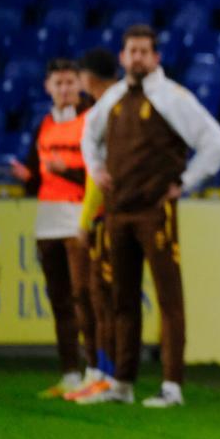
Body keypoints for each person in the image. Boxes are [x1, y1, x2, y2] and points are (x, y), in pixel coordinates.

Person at [79, 25, 220, 407]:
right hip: (117, 212)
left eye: (144, 51)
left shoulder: (172, 97)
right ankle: (122, 382)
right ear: (122, 57)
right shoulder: (113, 98)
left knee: (168, 299)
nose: (137, 58)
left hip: (155, 212)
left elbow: (218, 144)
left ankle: (171, 385)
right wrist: (95, 167)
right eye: (131, 51)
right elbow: (88, 136)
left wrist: (185, 181)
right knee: (122, 299)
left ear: (156, 58)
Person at [10, 59, 94, 399]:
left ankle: (96, 371)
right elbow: (36, 176)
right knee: (60, 301)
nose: (64, 89)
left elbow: (96, 177)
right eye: (58, 83)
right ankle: (70, 373)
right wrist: (27, 177)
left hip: (77, 222)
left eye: (70, 83)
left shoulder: (90, 122)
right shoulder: (44, 125)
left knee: (85, 298)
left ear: (79, 86)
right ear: (48, 88)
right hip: (47, 222)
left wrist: (65, 171)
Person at [64, 48, 122, 403]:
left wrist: (85, 220)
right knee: (100, 298)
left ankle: (109, 372)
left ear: (88, 77)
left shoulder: (105, 111)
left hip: (107, 216)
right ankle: (101, 370)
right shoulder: (106, 109)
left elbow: (97, 176)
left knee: (107, 299)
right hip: (103, 215)